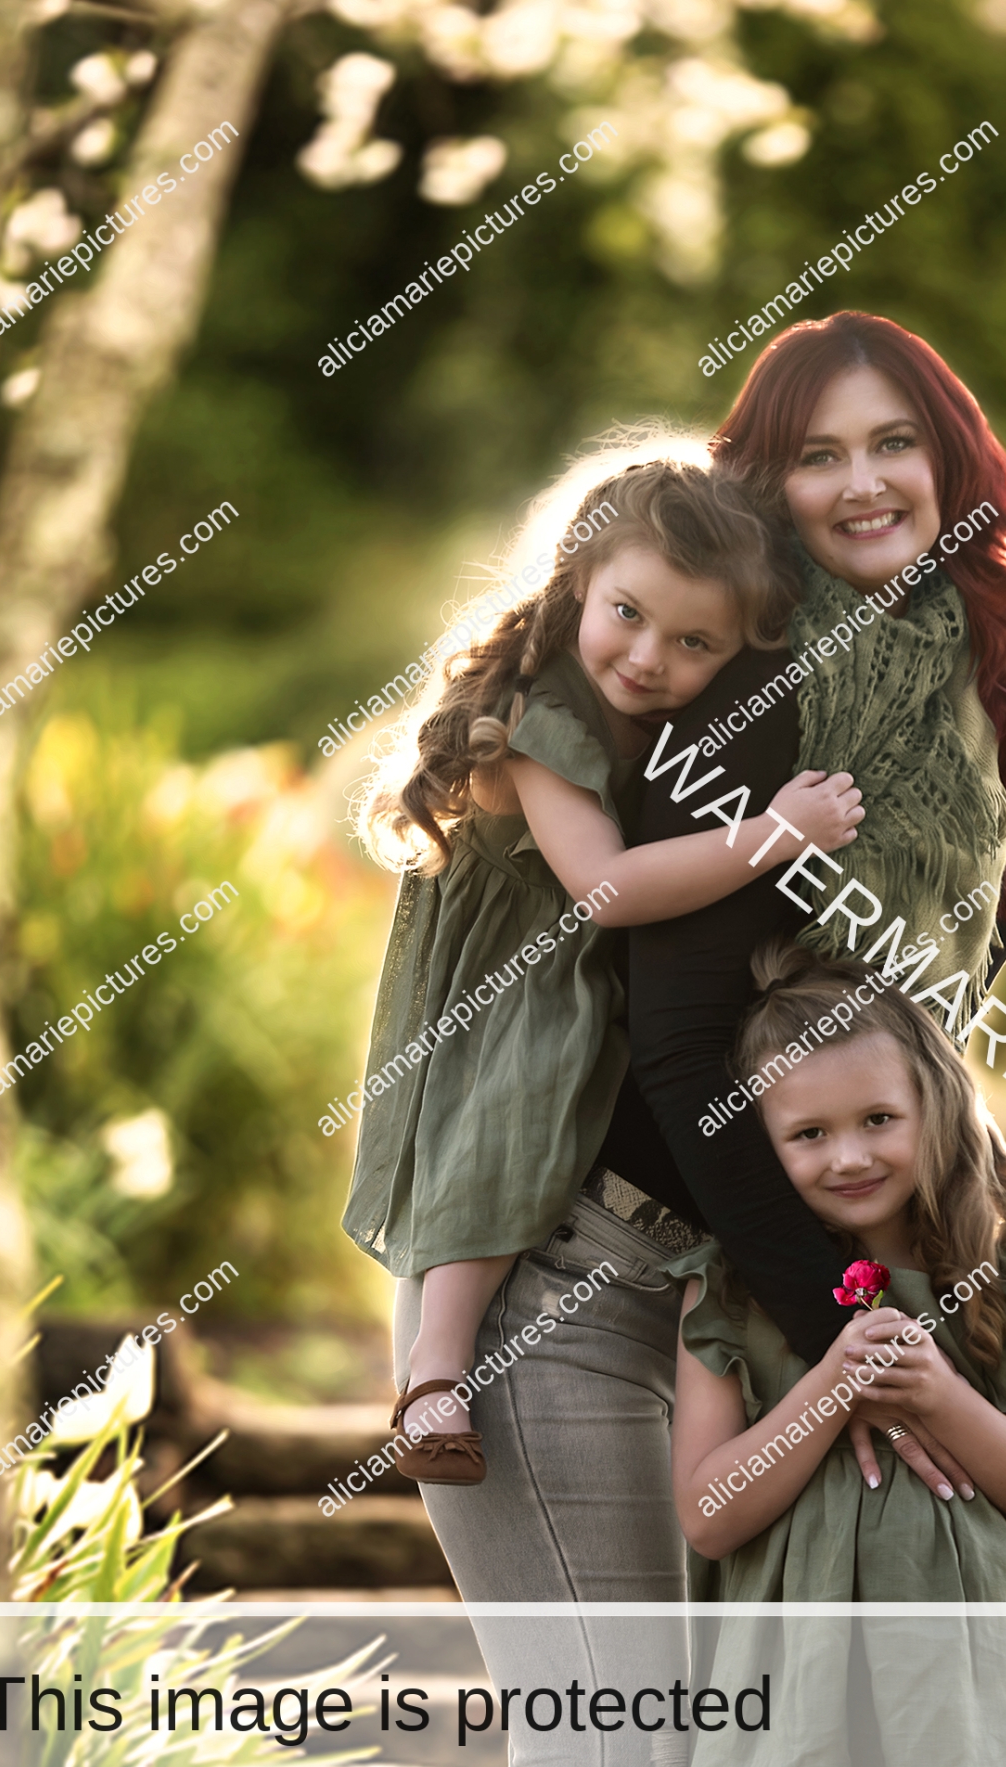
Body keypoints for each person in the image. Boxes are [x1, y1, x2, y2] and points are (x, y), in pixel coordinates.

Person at [343, 453, 865, 1481]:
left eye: (693, 642)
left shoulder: (649, 714)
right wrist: (776, 832)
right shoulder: (545, 717)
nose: (647, 655)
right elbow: (607, 888)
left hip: (578, 982)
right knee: (509, 1138)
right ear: (579, 577)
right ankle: (434, 1376)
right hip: (514, 988)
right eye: (627, 613)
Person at [627, 312, 1006, 1488]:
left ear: (952, 465)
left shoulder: (974, 690)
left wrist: (892, 1309)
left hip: (829, 1277)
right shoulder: (748, 685)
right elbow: (680, 1053)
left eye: (894, 444)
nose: (863, 484)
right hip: (638, 1273)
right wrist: (849, 1344)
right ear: (765, 487)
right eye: (817, 456)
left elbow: (932, 1035)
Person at [660, 941, 1006, 1767]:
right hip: (788, 1693)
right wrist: (827, 1390)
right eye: (806, 1133)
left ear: (933, 1109)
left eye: (878, 1120)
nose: (849, 1155)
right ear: (754, 1146)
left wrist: (938, 1393)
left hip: (960, 1699)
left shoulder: (994, 1275)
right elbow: (707, 1512)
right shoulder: (727, 1291)